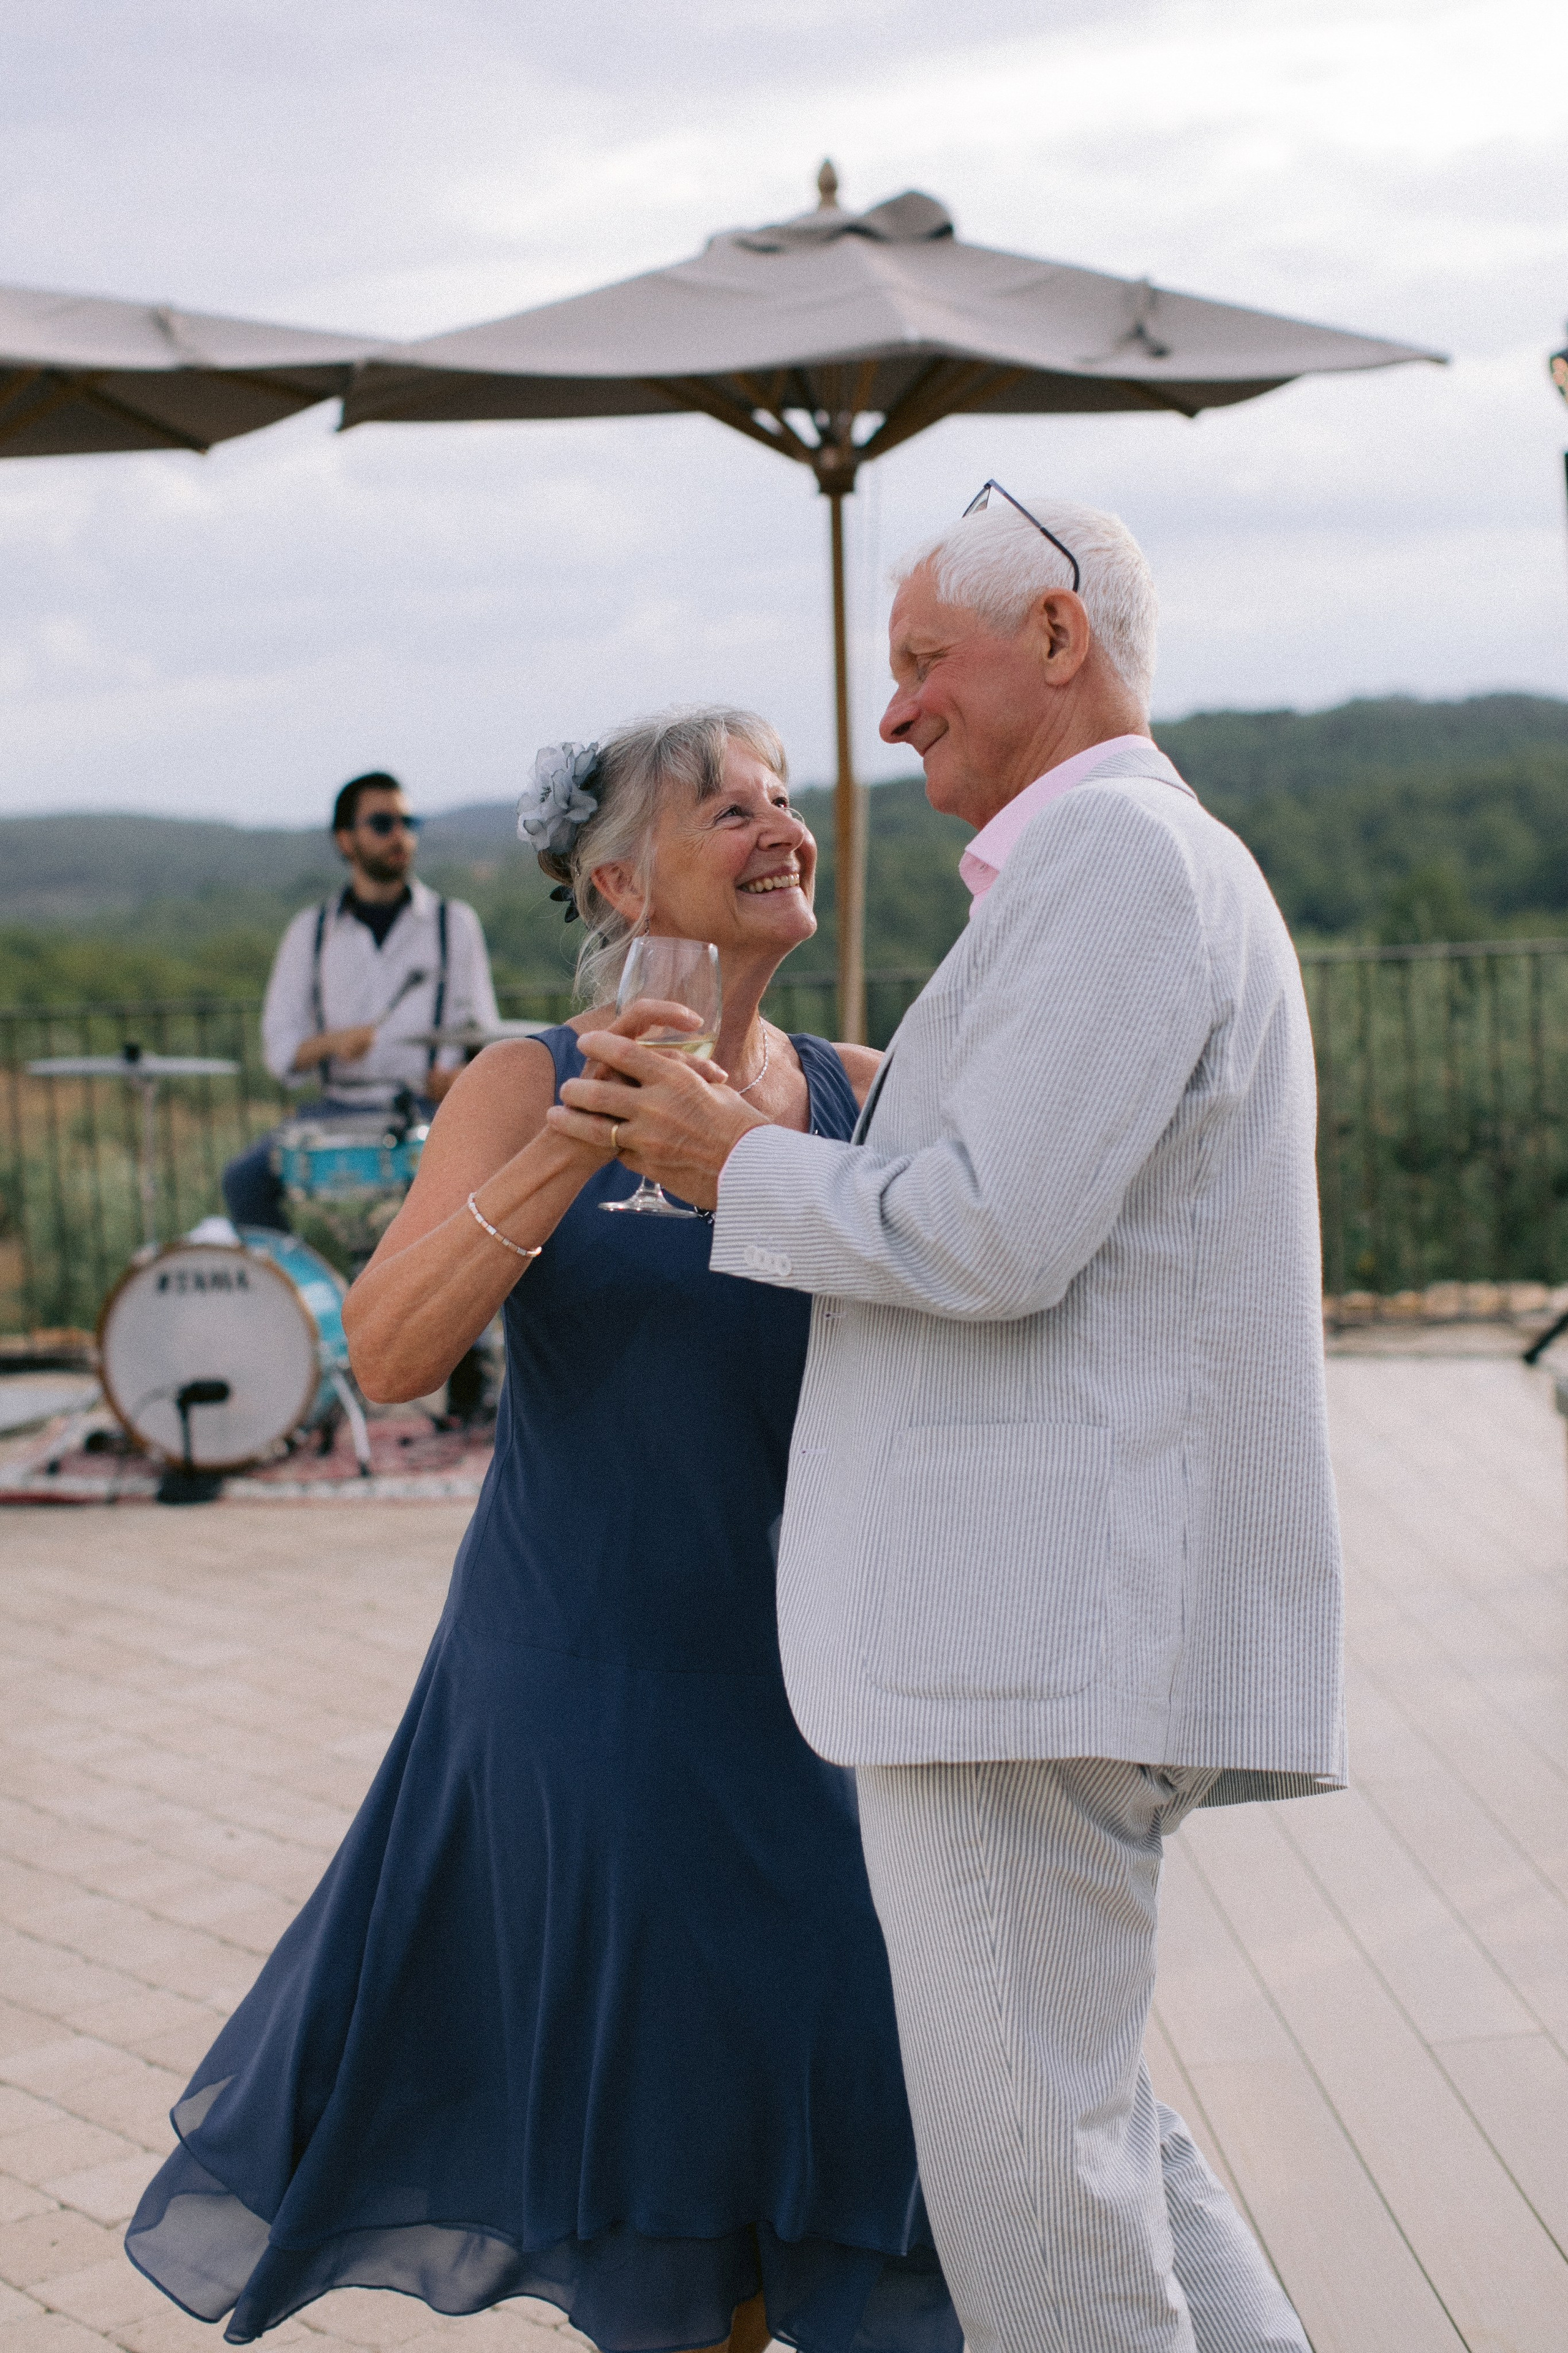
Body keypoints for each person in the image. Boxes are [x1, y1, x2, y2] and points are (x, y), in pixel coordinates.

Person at [548, 493, 1344, 2353]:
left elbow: (994, 1230)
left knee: (1037, 2204)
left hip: (1026, 1645)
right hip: (1041, 1639)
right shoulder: (1104, 873)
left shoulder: (1122, 868)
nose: (888, 715)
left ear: (1057, 637)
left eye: (920, 662)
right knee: (1097, 2135)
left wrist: (734, 1158)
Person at [126, 708, 961, 2353]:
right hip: (599, 1704)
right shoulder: (527, 1082)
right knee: (671, 2204)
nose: (782, 824)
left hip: (833, 1712)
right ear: (616, 875)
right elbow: (389, 1354)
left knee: (891, 2182)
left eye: (786, 798)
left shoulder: (867, 1094)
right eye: (730, 806)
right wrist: (572, 1156)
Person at [221, 771, 500, 1232]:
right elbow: (280, 1052)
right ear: (346, 840)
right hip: (339, 1109)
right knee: (243, 1181)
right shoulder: (309, 932)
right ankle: (303, 1294)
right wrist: (331, 1043)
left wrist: (457, 1079)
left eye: (409, 822)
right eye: (383, 823)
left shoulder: (455, 924)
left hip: (425, 1110)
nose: (401, 836)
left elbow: (485, 1035)